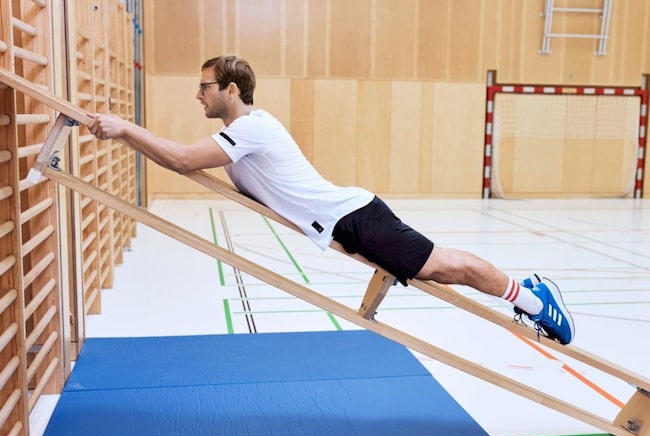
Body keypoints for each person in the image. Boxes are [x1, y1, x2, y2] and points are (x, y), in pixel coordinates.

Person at [87, 55, 575, 345]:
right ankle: (528, 293)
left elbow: (181, 160)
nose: (198, 95)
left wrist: (125, 128)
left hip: (354, 217)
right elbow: (182, 158)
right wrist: (126, 136)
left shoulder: (250, 129)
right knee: (441, 267)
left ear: (230, 90)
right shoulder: (237, 136)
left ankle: (533, 297)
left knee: (446, 268)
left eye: (204, 87)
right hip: (343, 223)